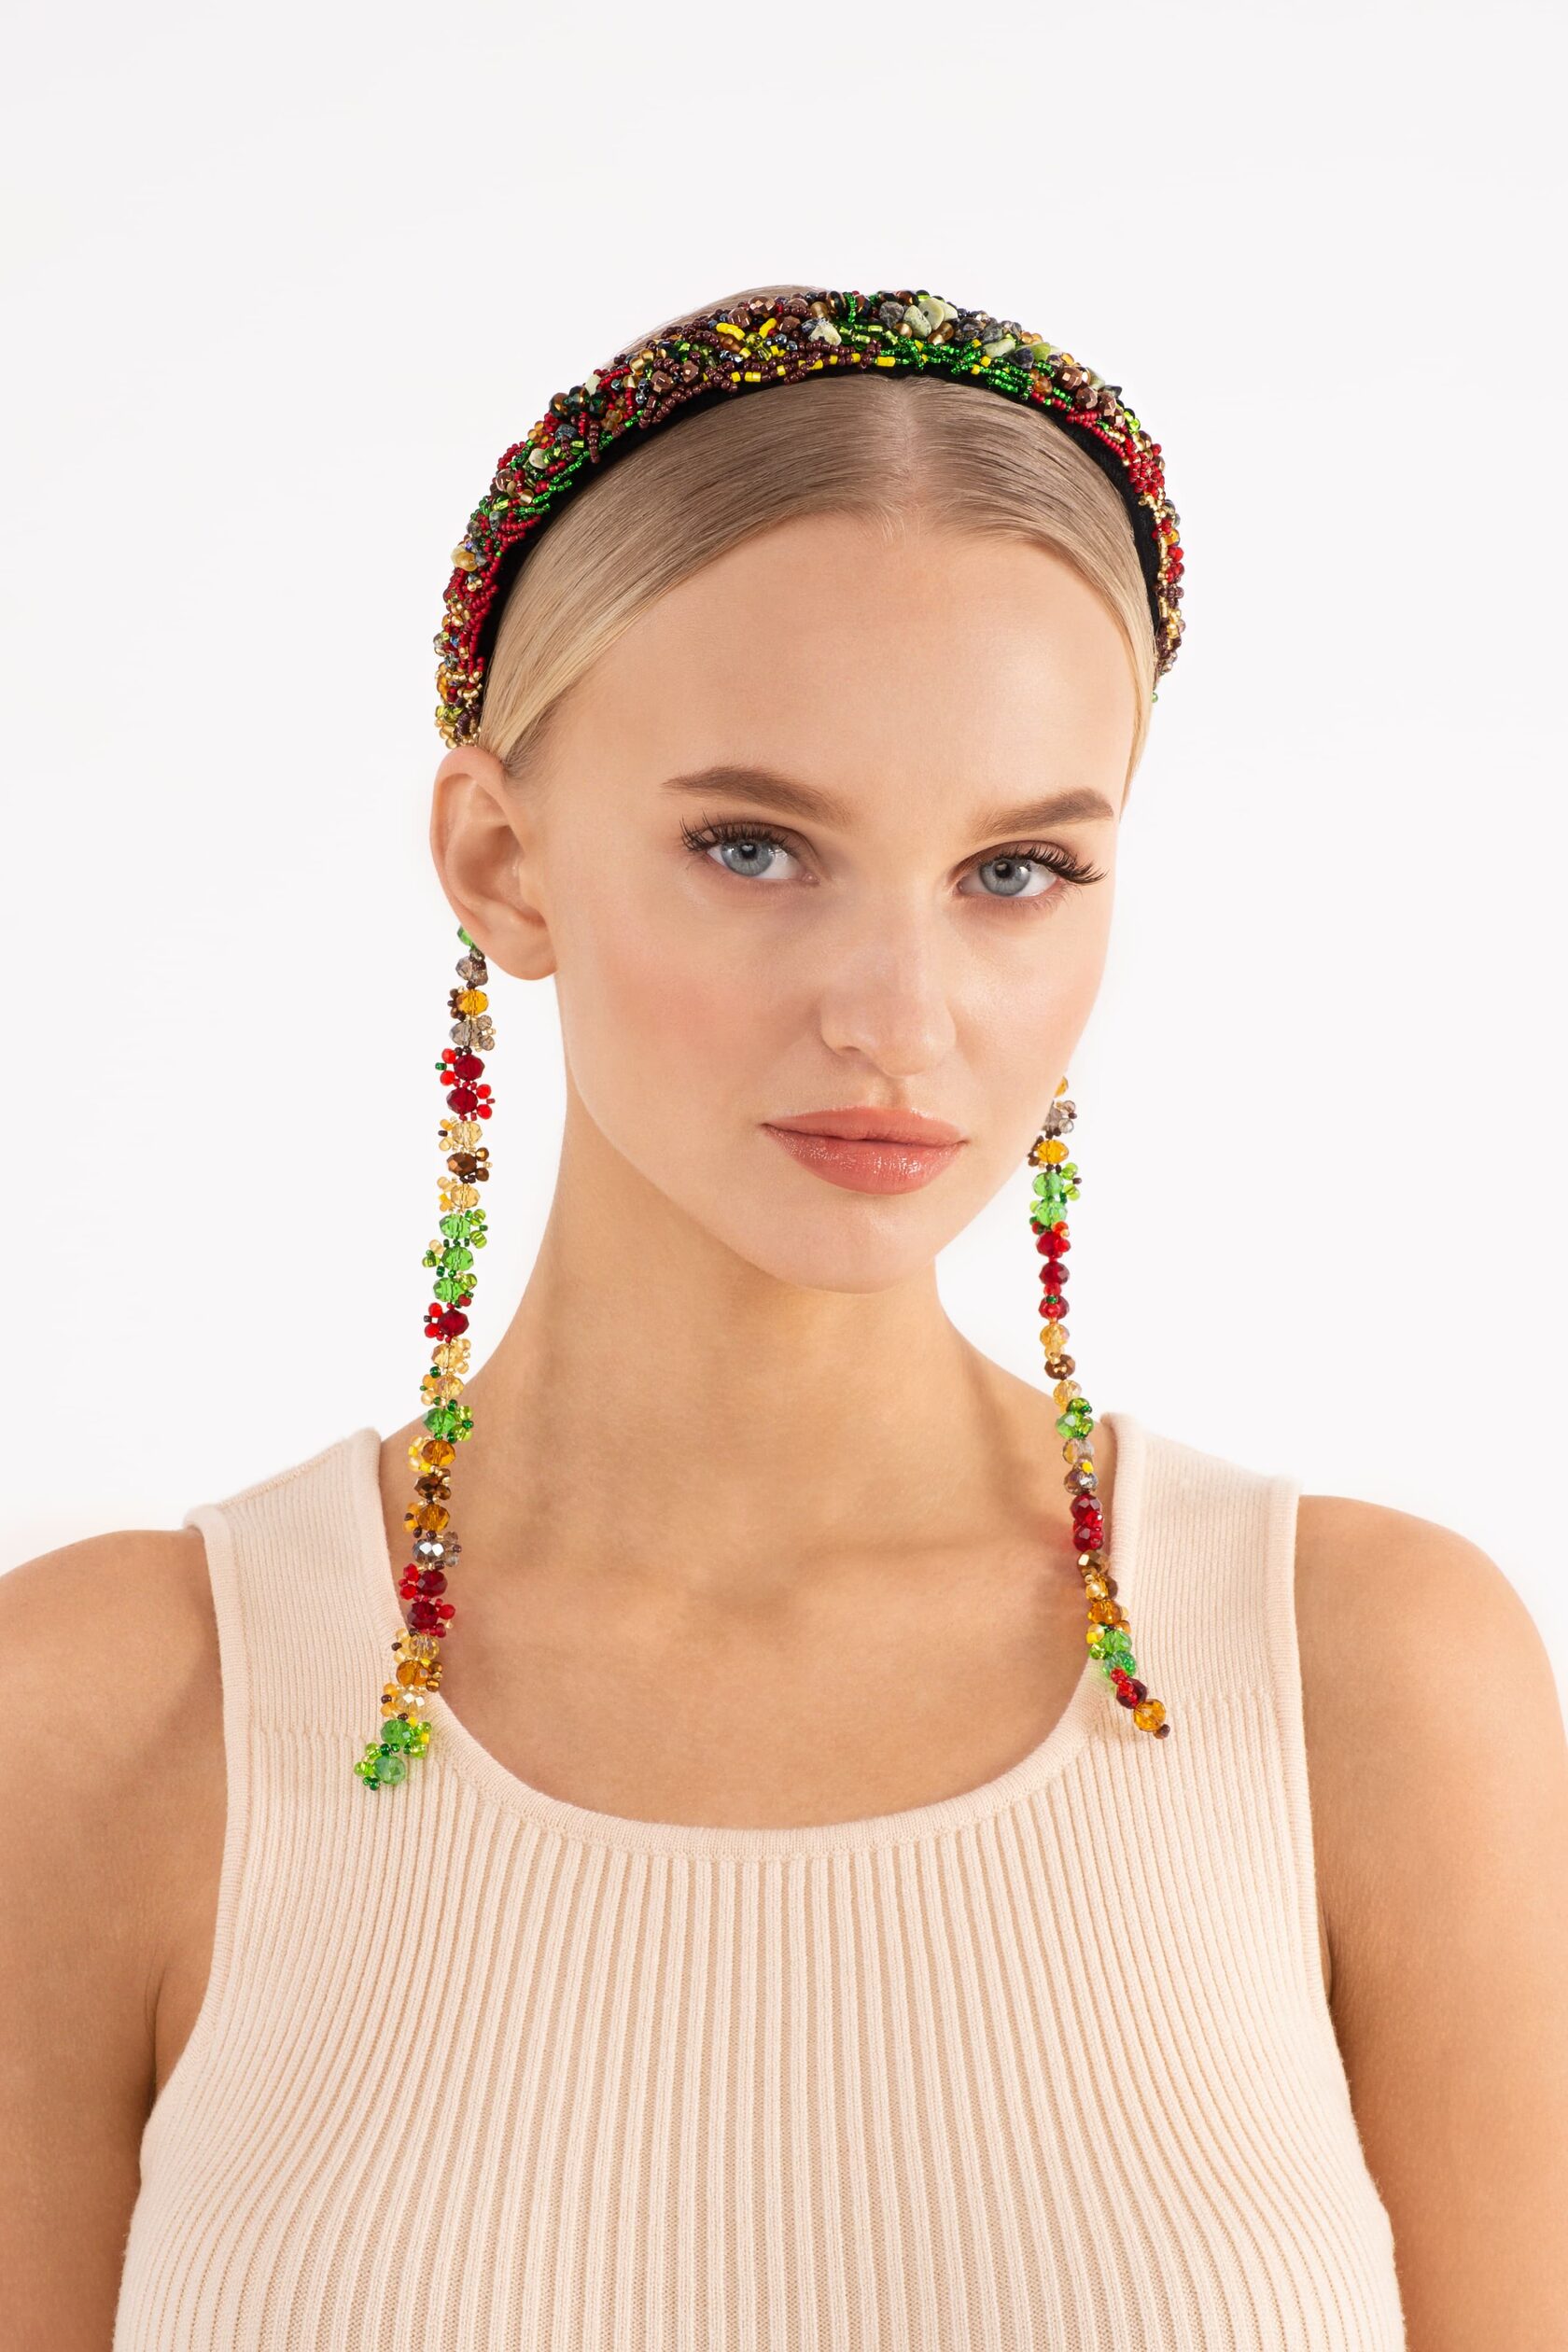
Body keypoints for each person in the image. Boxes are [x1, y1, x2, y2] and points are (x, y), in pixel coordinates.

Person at [7, 283, 1565, 2348]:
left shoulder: (1372, 1688)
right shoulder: (101, 1722)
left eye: (1016, 871)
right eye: (755, 847)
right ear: (501, 860)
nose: (900, 1019)